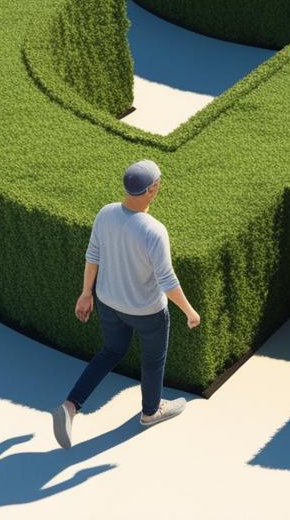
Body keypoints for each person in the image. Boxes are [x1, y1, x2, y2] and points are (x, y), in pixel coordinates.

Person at [52, 160, 201, 450]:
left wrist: (86, 294)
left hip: (108, 304)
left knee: (110, 352)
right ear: (153, 190)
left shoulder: (106, 213)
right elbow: (167, 280)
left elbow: (92, 255)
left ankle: (70, 406)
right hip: (147, 312)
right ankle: (150, 412)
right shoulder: (154, 230)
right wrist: (189, 311)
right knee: (152, 361)